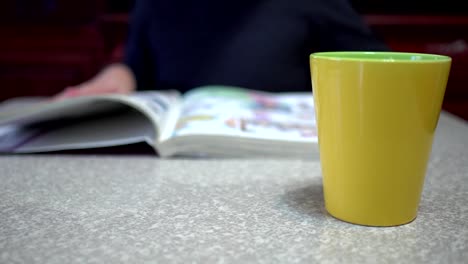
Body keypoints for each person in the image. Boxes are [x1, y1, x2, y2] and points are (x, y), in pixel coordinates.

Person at [56, 0, 388, 98]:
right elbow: (136, 64)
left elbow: (376, 67)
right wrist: (119, 74)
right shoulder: (155, 4)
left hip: (285, 167)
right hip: (169, 168)